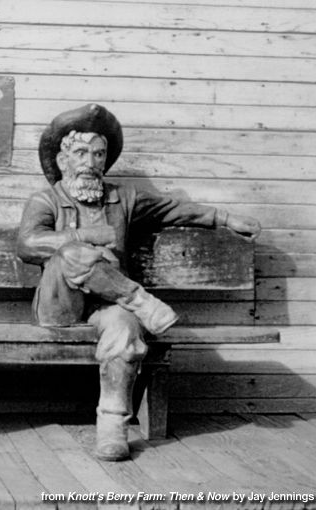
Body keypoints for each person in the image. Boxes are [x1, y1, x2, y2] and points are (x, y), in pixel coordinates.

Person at [17, 103, 260, 461]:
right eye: (81, 153)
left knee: (126, 328)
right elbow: (26, 244)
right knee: (73, 253)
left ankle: (112, 430)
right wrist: (87, 236)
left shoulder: (123, 198)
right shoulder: (46, 199)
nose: (90, 162)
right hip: (60, 308)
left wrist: (223, 217)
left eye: (99, 154)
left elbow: (171, 209)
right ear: (63, 160)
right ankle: (140, 300)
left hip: (107, 307)